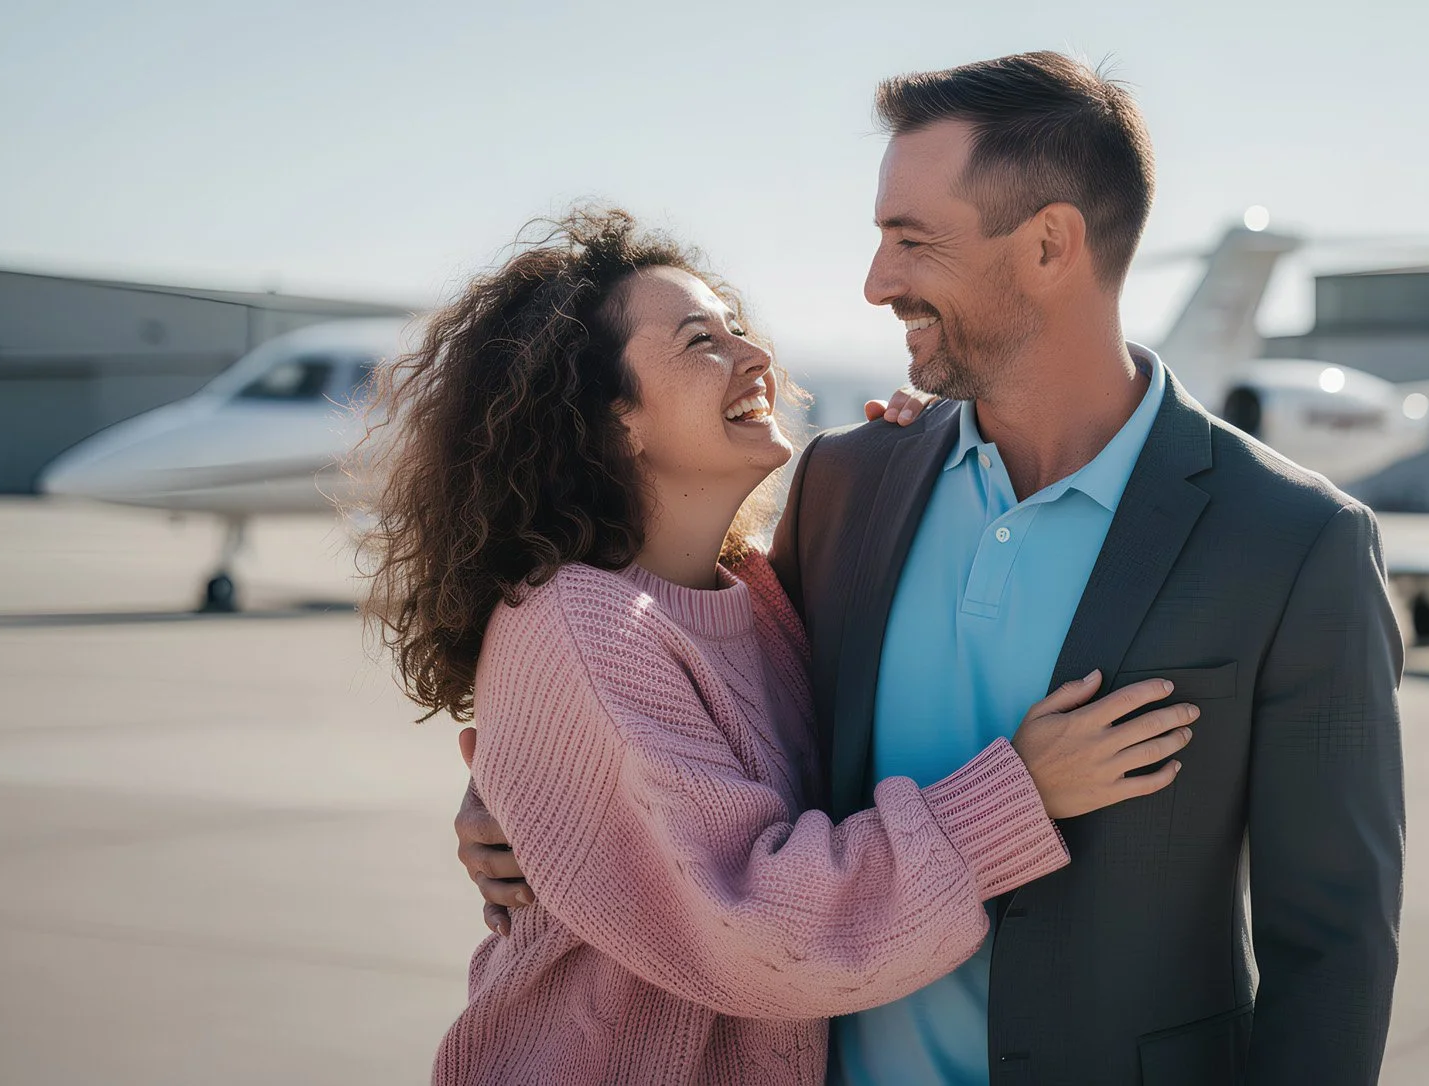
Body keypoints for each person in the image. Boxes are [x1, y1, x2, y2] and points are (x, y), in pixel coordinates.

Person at [456, 53, 1406, 1085]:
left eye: (911, 242)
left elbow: (1333, 951)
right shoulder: (849, 484)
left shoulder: (1291, 540)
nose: (875, 283)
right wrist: (531, 801)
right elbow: (678, 735)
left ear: (1049, 245)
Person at [359, 209, 1200, 1085]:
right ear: (614, 421)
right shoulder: (581, 622)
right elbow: (760, 933)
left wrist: (937, 438)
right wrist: (1019, 796)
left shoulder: (758, 599)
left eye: (738, 329)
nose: (754, 355)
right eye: (700, 343)